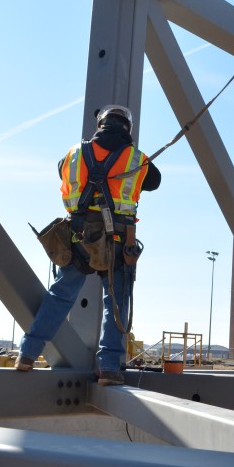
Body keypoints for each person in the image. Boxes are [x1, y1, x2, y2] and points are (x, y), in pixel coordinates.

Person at [15, 104, 161, 385]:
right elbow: (154, 182)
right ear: (127, 127)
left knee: (59, 296)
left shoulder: (72, 155)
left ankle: (27, 354)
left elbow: (61, 171)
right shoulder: (137, 160)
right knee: (116, 303)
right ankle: (108, 368)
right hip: (117, 243)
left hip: (77, 238)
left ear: (101, 124)